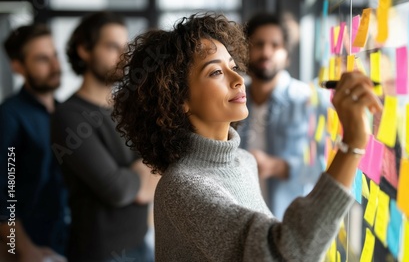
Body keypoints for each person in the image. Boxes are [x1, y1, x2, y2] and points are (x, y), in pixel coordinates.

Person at [111, 13, 382, 261]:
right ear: (179, 99)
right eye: (216, 72)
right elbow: (284, 253)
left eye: (232, 66)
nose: (238, 79)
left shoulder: (243, 161)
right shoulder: (182, 187)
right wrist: (352, 145)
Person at [51, 12, 158, 262]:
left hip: (142, 240)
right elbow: (118, 190)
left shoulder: (127, 108)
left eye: (125, 48)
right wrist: (144, 176)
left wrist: (140, 176)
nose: (123, 57)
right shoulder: (68, 116)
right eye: (112, 47)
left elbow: (159, 165)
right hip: (101, 253)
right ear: (84, 51)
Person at [237, 12, 323, 219]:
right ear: (245, 51)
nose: (266, 52)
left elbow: (326, 168)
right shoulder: (233, 99)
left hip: (289, 223)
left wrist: (278, 167)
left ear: (287, 56)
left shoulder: (307, 100)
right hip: (241, 221)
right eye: (258, 44)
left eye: (275, 45)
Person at [0, 24, 68, 262]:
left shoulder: (65, 112)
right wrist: (21, 248)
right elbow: (3, 191)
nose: (55, 66)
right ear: (18, 66)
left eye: (55, 56)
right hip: (32, 248)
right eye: (42, 59)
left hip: (70, 242)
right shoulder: (9, 116)